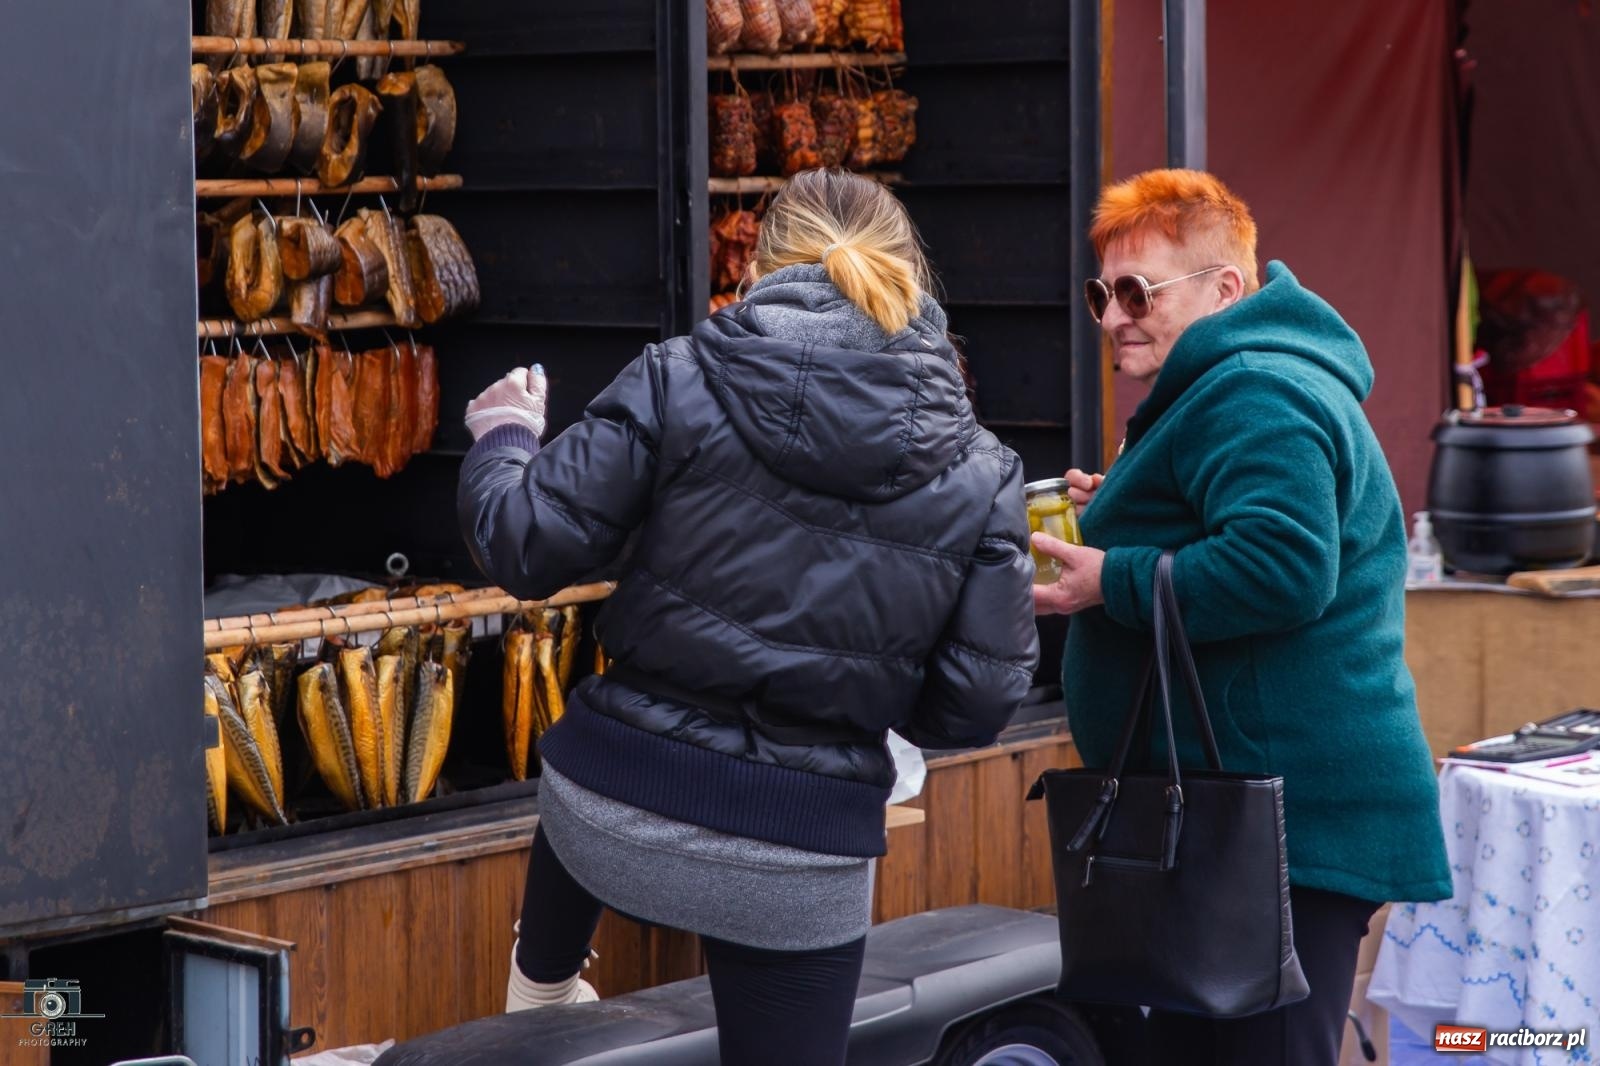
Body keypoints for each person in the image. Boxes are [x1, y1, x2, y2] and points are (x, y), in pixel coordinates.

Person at [457, 168, 1039, 1066]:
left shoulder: (678, 376)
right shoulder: (983, 467)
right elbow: (975, 705)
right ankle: (541, 997)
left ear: (763, 267)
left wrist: (503, 439)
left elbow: (525, 546)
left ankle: (538, 990)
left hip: (608, 816)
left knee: (591, 764)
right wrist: (860, 702)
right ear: (907, 274)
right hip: (801, 859)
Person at [1031, 168, 1450, 1066]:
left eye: (1138, 291)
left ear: (1226, 289)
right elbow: (1247, 525)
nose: (1112, 317)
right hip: (1247, 819)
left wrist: (1115, 578)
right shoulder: (1239, 379)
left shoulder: (1253, 387)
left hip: (1277, 826)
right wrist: (1129, 510)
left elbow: (1284, 567)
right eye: (1102, 292)